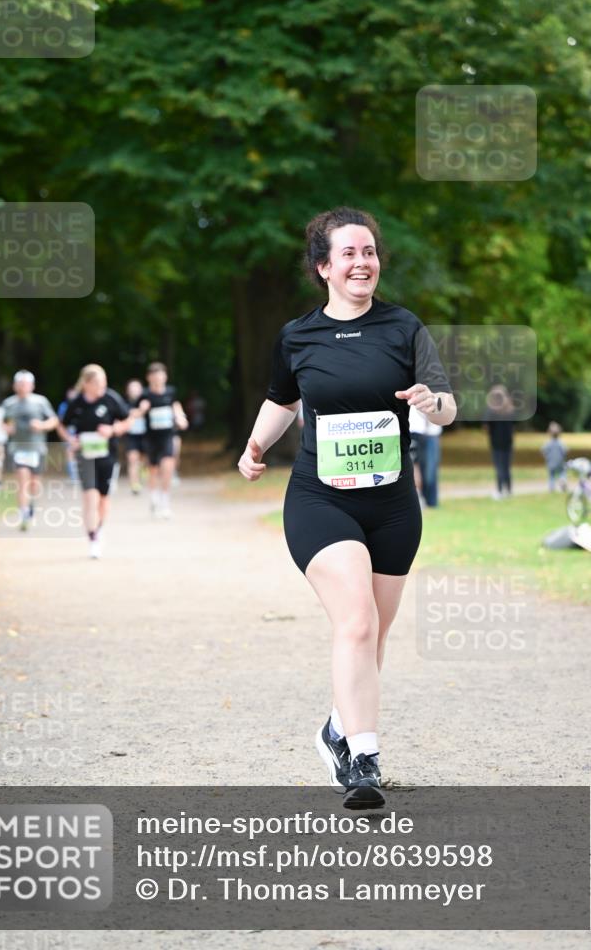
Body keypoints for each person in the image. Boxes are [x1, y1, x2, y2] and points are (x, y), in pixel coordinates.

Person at [237, 207, 456, 809]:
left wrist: (431, 401)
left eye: (370, 252)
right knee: (356, 621)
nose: (363, 262)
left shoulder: (404, 327)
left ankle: (338, 727)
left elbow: (446, 407)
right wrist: (255, 446)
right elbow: (281, 400)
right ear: (324, 267)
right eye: (350, 254)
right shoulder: (297, 336)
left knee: (374, 636)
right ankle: (363, 759)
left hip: (391, 506)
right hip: (320, 499)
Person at [59, 364, 132, 558]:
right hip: (85, 456)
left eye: (104, 381)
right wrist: (70, 440)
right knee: (90, 497)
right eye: (99, 383)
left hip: (108, 455)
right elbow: (61, 425)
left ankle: (99, 529)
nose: (103, 386)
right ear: (87, 384)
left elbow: (127, 420)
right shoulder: (76, 403)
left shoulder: (111, 399)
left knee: (103, 499)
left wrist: (113, 430)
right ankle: (93, 538)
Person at [1, 371, 59, 531]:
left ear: (32, 386)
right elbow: (1, 424)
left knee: (34, 484)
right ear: (15, 386)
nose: (22, 387)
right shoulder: (8, 404)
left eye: (25, 384)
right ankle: (24, 514)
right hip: (17, 448)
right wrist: (7, 428)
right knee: (22, 481)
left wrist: (41, 426)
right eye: (20, 384)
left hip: (37, 448)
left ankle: (30, 503)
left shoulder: (40, 402)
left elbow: (54, 421)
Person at [138, 362, 189, 519]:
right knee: (153, 470)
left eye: (160, 375)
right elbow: (135, 413)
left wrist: (181, 418)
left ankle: (165, 503)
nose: (158, 379)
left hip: (167, 436)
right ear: (149, 378)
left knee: (167, 468)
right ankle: (154, 498)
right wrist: (142, 409)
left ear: (165, 376)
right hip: (151, 438)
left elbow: (176, 406)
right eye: (154, 376)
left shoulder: (171, 392)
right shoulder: (145, 395)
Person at [409, 404, 443, 507]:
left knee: (429, 470)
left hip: (429, 433)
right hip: (416, 432)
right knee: (415, 467)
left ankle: (431, 501)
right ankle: (421, 498)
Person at [485, 384, 515, 500]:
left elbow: (486, 426)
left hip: (496, 442)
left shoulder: (491, 411)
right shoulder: (510, 410)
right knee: (507, 467)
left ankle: (500, 490)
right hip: (508, 442)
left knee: (499, 467)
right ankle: (508, 490)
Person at [124, 378, 147, 494]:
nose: (134, 390)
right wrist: (141, 411)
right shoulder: (124, 404)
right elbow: (128, 415)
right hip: (131, 436)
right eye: (131, 388)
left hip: (145, 436)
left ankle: (143, 471)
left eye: (136, 388)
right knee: (133, 460)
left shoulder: (147, 401)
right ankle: (134, 485)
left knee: (143, 460)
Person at [541, 421, 568, 492]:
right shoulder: (561, 442)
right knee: (562, 473)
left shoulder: (548, 443)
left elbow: (543, 451)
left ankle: (551, 488)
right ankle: (563, 480)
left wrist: (546, 457)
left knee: (551, 476)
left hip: (551, 462)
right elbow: (565, 451)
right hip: (560, 462)